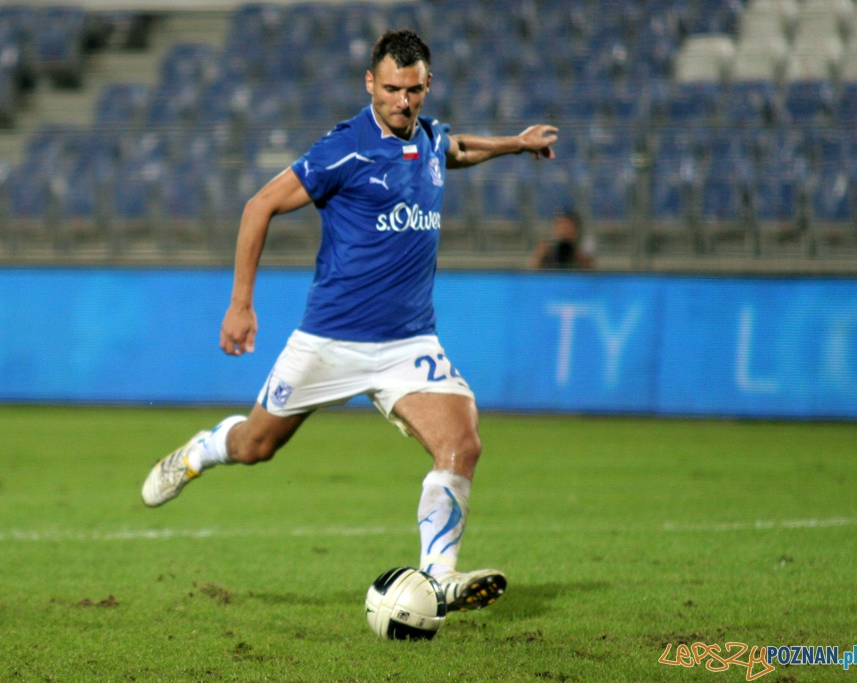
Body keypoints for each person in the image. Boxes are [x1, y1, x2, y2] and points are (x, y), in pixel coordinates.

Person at [142, 29, 558, 613]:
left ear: (427, 86)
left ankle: (438, 578)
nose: (402, 101)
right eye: (390, 89)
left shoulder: (431, 138)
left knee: (461, 443)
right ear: (370, 83)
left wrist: (516, 143)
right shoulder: (345, 149)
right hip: (329, 342)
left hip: (408, 343)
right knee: (257, 446)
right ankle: (200, 452)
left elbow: (455, 148)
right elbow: (258, 205)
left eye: (413, 90)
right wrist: (241, 302)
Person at [530, 210, 596, 269]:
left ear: (576, 230)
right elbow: (531, 273)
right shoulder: (547, 247)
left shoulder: (581, 248)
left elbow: (591, 273)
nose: (564, 231)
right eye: (560, 227)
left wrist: (577, 252)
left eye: (568, 228)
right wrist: (540, 255)